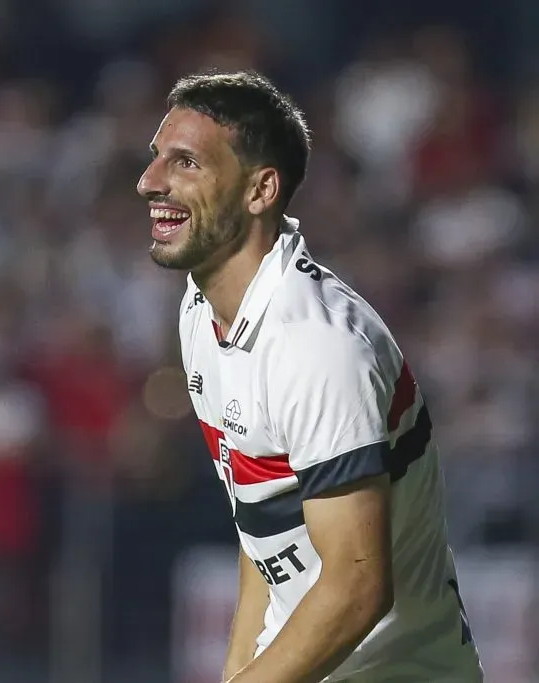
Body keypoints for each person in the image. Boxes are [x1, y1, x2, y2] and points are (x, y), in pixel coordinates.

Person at [137, 70, 484, 683]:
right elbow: (262, 530)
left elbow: (356, 584)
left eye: (185, 162)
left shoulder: (314, 344)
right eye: (157, 157)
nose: (149, 182)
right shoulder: (201, 311)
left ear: (259, 189)